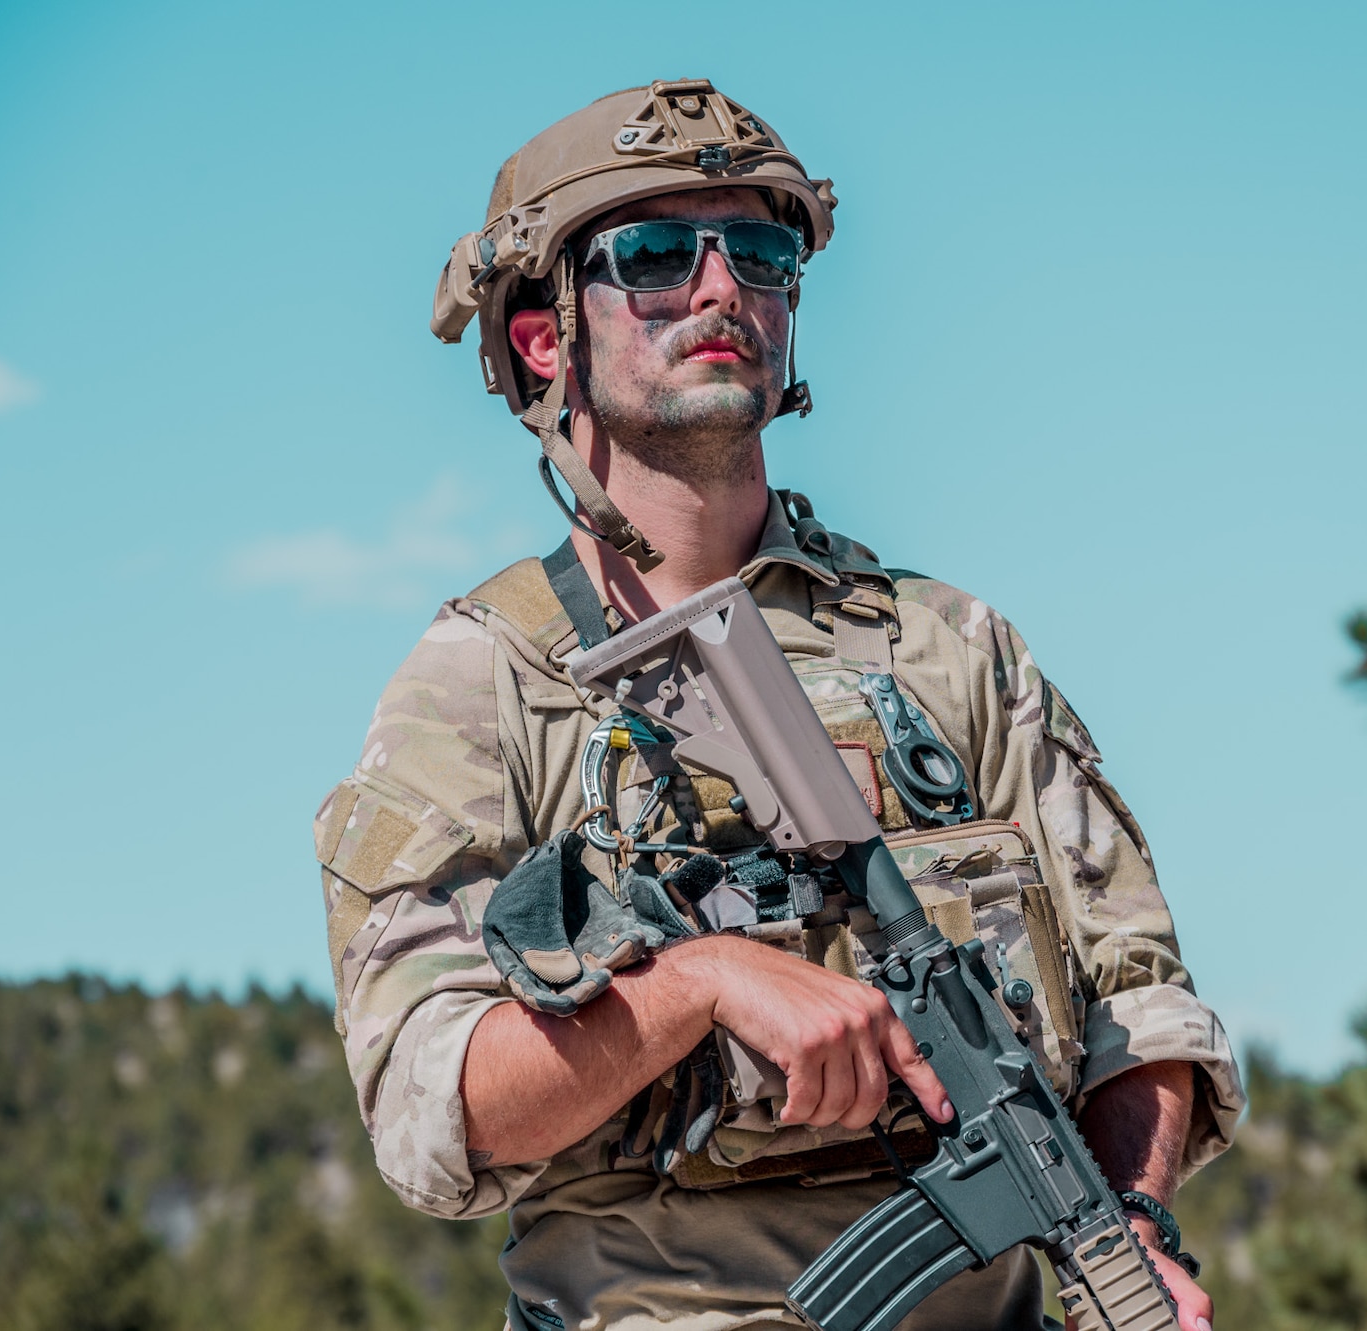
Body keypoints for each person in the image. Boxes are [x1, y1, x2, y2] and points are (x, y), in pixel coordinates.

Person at [314, 79, 1242, 1331]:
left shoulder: (946, 646)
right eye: (651, 253)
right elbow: (433, 1111)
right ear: (544, 340)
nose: (717, 290)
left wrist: (1123, 1220)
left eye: (757, 252)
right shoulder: (487, 679)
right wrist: (697, 981)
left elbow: (1138, 998)